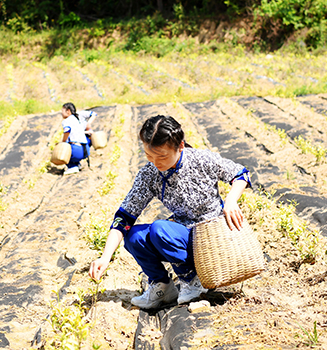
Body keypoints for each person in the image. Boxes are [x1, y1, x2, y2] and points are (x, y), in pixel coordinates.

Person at [88, 115, 251, 309]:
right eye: (149, 156)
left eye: (162, 156)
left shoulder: (201, 159)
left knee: (160, 229)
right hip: (183, 234)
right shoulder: (150, 174)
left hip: (211, 237)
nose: (155, 162)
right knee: (133, 236)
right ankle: (162, 286)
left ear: (180, 146)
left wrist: (231, 201)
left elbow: (241, 173)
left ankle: (192, 279)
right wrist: (105, 257)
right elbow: (123, 217)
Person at [61, 103, 90, 175]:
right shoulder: (77, 119)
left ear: (68, 111)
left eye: (62, 111)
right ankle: (77, 164)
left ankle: (72, 166)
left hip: (77, 150)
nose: (61, 113)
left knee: (63, 148)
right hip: (86, 150)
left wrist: (63, 143)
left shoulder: (66, 121)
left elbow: (67, 131)